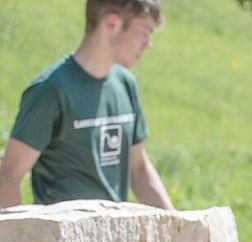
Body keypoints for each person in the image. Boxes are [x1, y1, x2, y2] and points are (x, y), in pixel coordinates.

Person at [0, 0, 173, 210]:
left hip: (117, 237)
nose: (148, 43)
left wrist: (179, 231)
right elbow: (8, 175)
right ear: (112, 23)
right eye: (145, 32)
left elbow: (138, 169)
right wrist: (16, 240)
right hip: (62, 239)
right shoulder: (50, 90)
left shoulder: (125, 83)